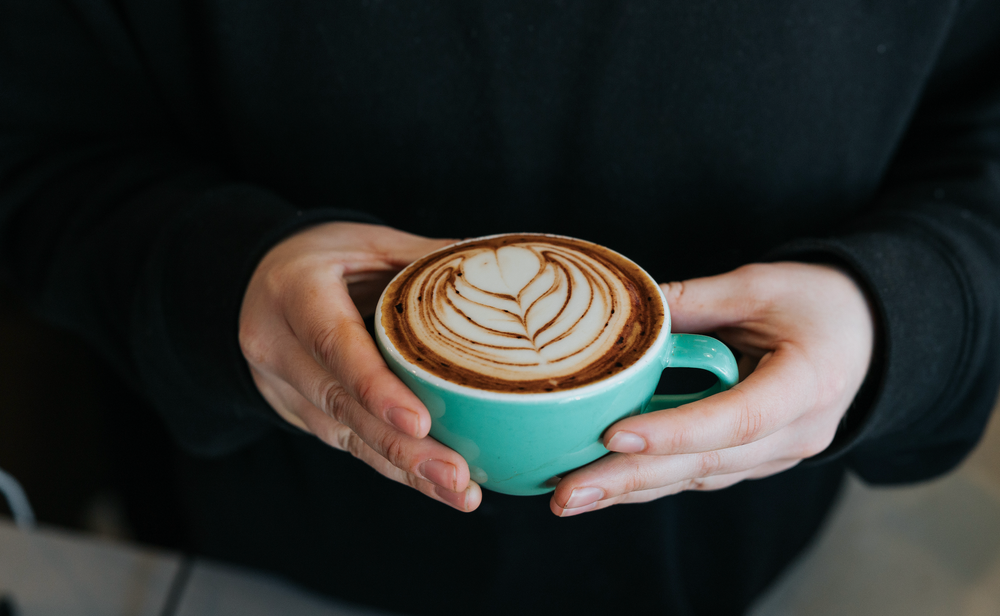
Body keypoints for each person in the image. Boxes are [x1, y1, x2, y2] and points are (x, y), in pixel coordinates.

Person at [1, 1, 998, 613]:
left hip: (754, 563)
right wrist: (224, 277)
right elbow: (39, 144)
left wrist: (896, 312)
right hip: (249, 556)